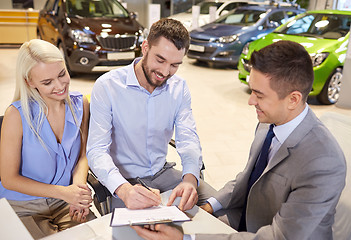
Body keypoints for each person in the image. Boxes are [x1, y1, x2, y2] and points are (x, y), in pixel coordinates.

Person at [132, 40, 347, 239]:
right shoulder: (269, 121)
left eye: (259, 95)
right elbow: (249, 177)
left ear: (293, 99)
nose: (251, 101)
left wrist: (186, 238)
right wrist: (209, 206)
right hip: (246, 220)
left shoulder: (323, 162)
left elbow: (279, 236)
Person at [87, 18, 216, 211]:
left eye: (175, 65)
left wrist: (189, 178)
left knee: (223, 207)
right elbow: (96, 151)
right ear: (145, 47)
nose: (165, 72)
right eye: (160, 60)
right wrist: (123, 190)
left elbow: (188, 138)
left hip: (163, 173)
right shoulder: (107, 86)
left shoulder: (179, 88)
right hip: (125, 182)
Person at [0, 39, 95, 239]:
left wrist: (77, 191)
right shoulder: (16, 115)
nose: (60, 86)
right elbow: (9, 179)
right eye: (47, 82)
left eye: (62, 74)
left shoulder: (81, 104)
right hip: (23, 206)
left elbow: (83, 155)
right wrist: (64, 193)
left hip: (65, 202)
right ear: (29, 82)